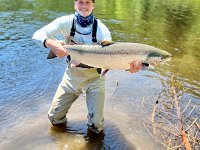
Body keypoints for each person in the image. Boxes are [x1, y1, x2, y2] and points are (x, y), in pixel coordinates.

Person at [32, 0, 141, 133]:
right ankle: (61, 136)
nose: (84, 5)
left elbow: (111, 60)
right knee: (54, 118)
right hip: (72, 76)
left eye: (88, 2)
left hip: (95, 78)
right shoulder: (65, 22)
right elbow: (37, 35)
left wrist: (129, 67)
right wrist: (49, 42)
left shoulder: (102, 30)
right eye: (80, 2)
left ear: (93, 5)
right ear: (74, 4)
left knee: (97, 127)